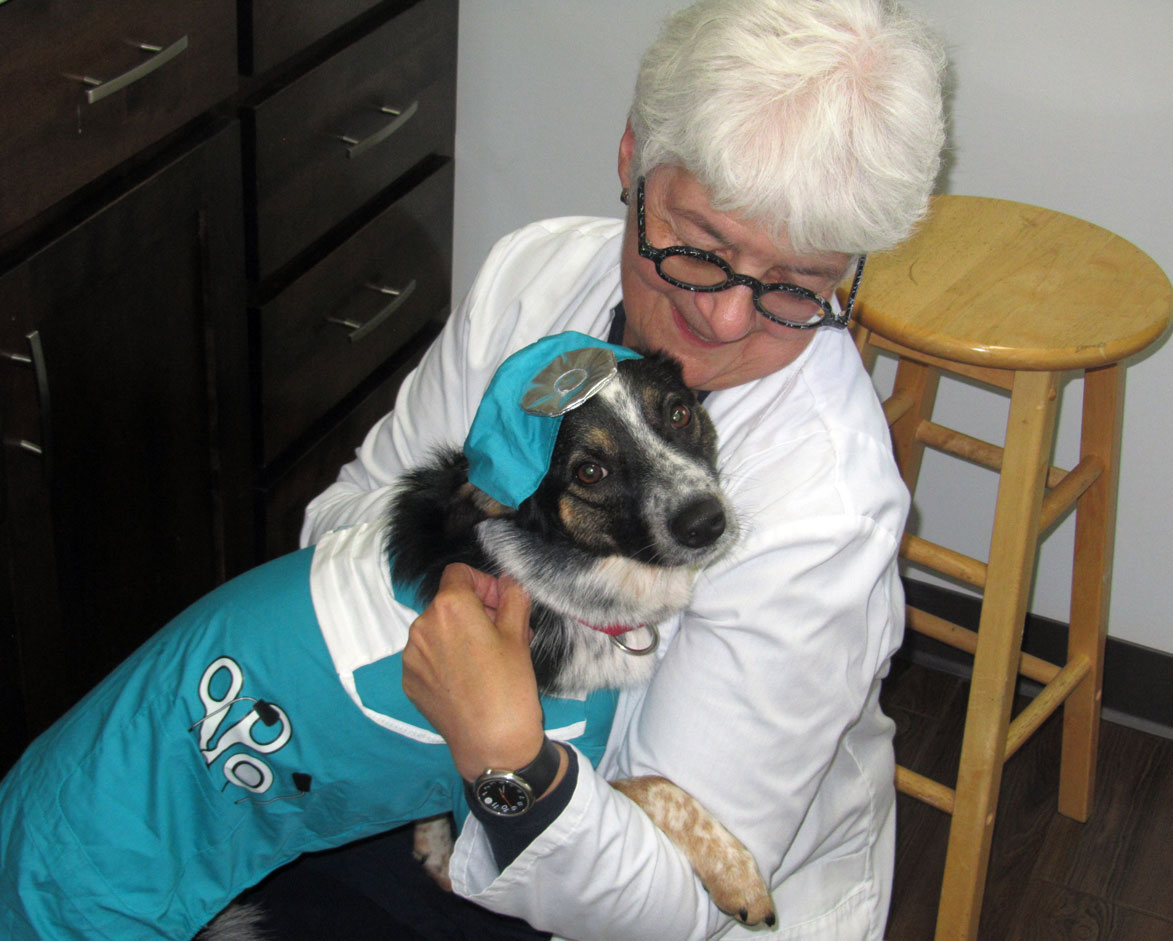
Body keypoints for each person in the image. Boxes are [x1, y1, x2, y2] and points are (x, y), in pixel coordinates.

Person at [296, 0, 946, 937]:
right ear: (631, 159)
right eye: (699, 248)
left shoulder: (824, 505)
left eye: (799, 287)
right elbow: (344, 517)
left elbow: (671, 905)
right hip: (418, 781)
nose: (725, 320)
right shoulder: (533, 279)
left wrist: (508, 757)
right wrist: (446, 611)